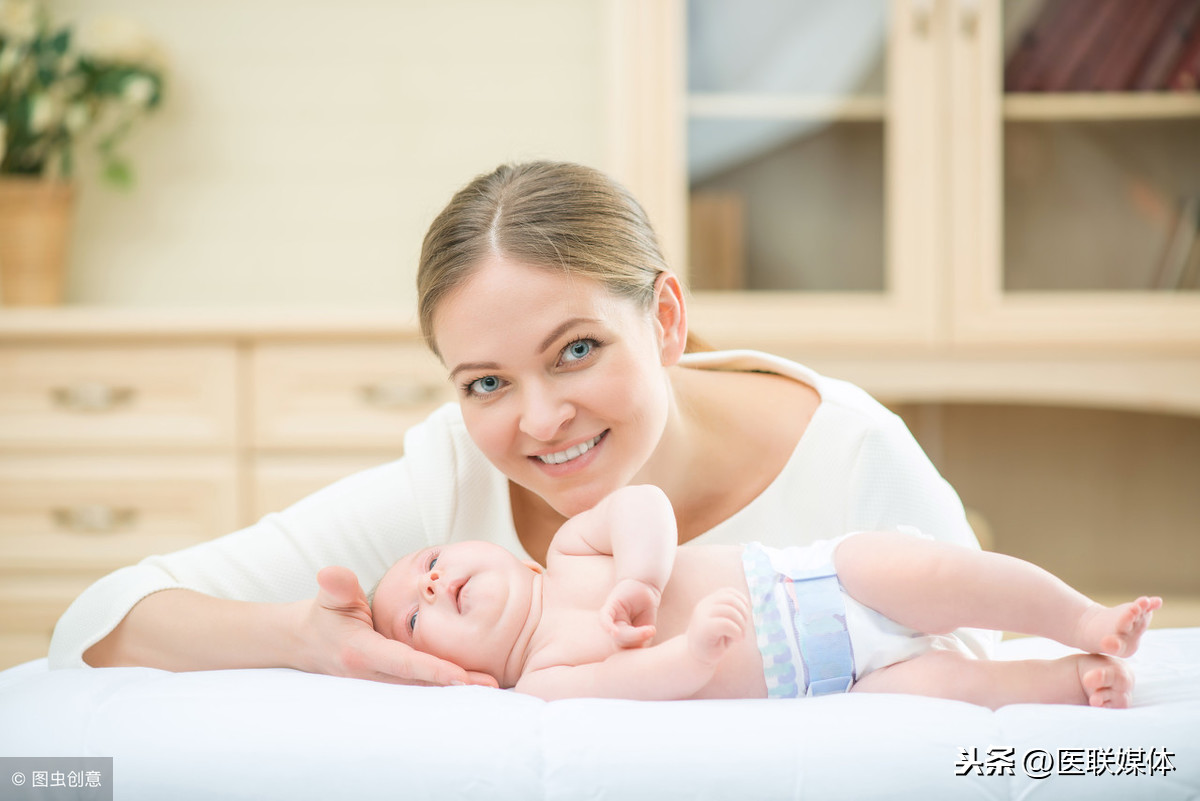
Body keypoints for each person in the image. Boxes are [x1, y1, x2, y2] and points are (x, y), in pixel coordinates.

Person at [52, 161, 989, 686]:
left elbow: (975, 690)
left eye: (577, 349)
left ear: (664, 318)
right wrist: (303, 636)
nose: (541, 420)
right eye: (487, 381)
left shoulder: (848, 455)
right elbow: (100, 625)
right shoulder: (451, 485)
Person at [369, 484, 1160, 707]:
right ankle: (1068, 682)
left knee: (953, 578)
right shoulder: (546, 675)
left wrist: (641, 577)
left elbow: (643, 503)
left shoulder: (568, 553)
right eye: (415, 612)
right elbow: (642, 682)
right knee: (953, 691)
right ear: (454, 671)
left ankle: (1079, 616)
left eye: (430, 560)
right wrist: (691, 650)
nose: (433, 582)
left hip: (826, 578)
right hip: (838, 679)